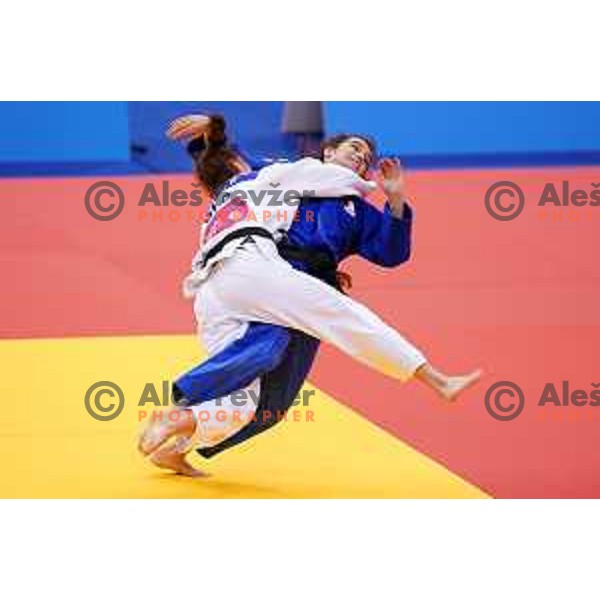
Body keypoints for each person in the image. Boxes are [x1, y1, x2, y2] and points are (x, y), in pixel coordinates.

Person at [138, 114, 481, 476]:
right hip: (266, 276)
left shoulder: (353, 207)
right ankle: (436, 379)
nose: (361, 159)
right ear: (328, 152)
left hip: (268, 285)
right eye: (354, 149)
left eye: (366, 159)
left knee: (268, 403)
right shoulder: (285, 171)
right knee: (329, 326)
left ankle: (179, 439)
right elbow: (226, 162)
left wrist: (394, 200)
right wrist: (212, 131)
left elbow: (391, 252)